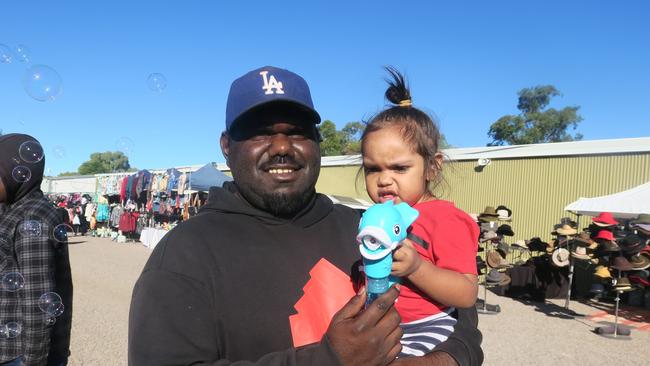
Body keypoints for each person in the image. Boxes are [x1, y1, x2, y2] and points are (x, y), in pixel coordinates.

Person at [128, 66, 482, 365]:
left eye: (297, 131)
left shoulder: (359, 225)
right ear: (226, 146)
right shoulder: (183, 256)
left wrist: (444, 359)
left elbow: (458, 311)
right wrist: (329, 359)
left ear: (316, 142)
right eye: (261, 132)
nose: (282, 147)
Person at [360, 68, 479, 357]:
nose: (384, 179)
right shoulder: (373, 217)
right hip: (382, 320)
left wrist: (417, 268)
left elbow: (466, 293)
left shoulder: (444, 219)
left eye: (400, 168)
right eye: (373, 169)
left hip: (427, 326)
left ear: (433, 167)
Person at [0, 134, 73, 366]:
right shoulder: (10, 208)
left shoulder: (34, 217)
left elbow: (37, 304)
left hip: (18, 354)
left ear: (14, 172)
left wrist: (34, 362)